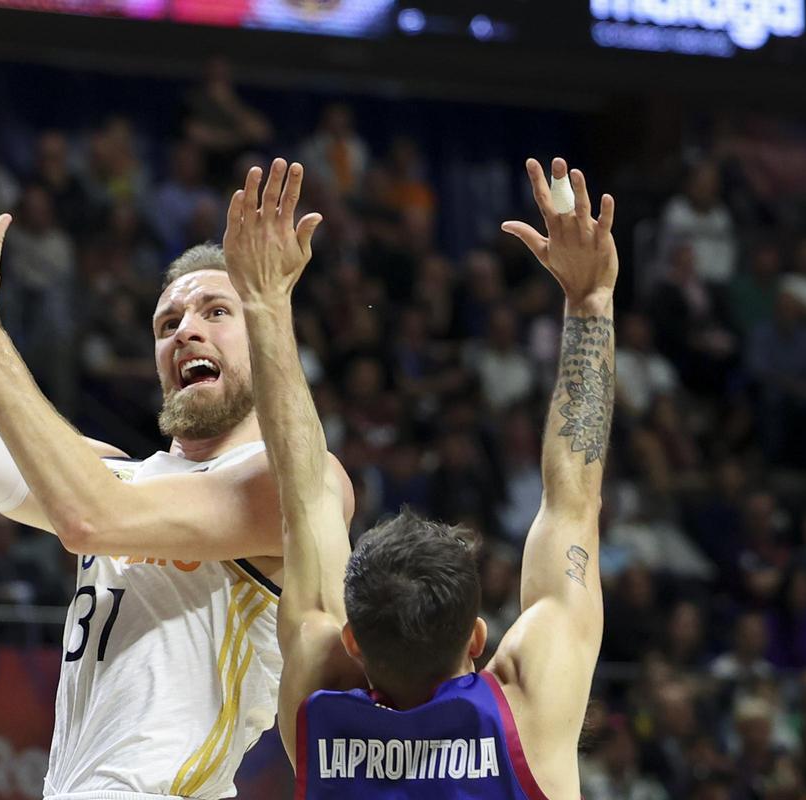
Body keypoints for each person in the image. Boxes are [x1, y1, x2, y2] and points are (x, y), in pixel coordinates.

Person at [0, 111, 353, 799]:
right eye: (168, 322)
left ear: (262, 336)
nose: (186, 332)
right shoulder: (119, 478)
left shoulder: (291, 479)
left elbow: (87, 517)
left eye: (215, 313)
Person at [225, 156, 616, 797]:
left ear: (351, 640)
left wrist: (264, 303)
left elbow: (304, 501)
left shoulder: (315, 715)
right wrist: (590, 298)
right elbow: (574, 500)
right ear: (477, 637)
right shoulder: (527, 713)